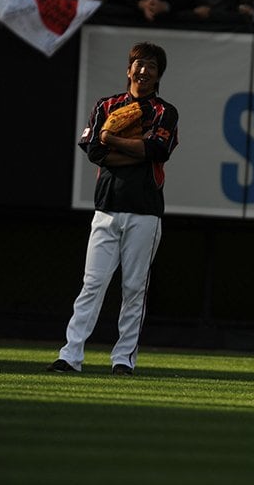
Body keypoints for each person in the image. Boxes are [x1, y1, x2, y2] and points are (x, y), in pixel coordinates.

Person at [48, 42, 180, 376]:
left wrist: (113, 140)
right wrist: (133, 149)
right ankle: (70, 355)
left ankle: (123, 359)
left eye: (151, 66)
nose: (144, 70)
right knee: (92, 284)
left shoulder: (165, 111)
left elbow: (157, 150)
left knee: (134, 288)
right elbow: (94, 151)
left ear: (159, 75)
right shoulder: (107, 105)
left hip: (146, 212)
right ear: (128, 69)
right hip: (106, 208)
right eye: (139, 64)